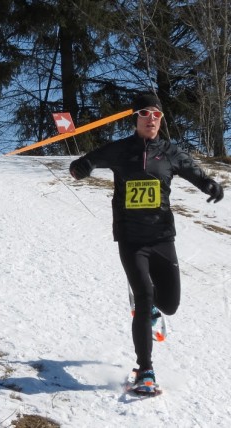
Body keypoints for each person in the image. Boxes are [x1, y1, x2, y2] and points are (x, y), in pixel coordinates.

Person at [69, 93, 224, 394]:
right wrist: (80, 167)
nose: (151, 118)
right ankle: (145, 370)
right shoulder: (120, 150)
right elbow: (87, 161)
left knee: (170, 305)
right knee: (144, 296)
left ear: (161, 119)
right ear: (135, 118)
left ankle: (151, 305)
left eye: (156, 114)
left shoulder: (170, 152)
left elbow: (195, 173)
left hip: (162, 238)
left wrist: (210, 184)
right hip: (131, 239)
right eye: (144, 113)